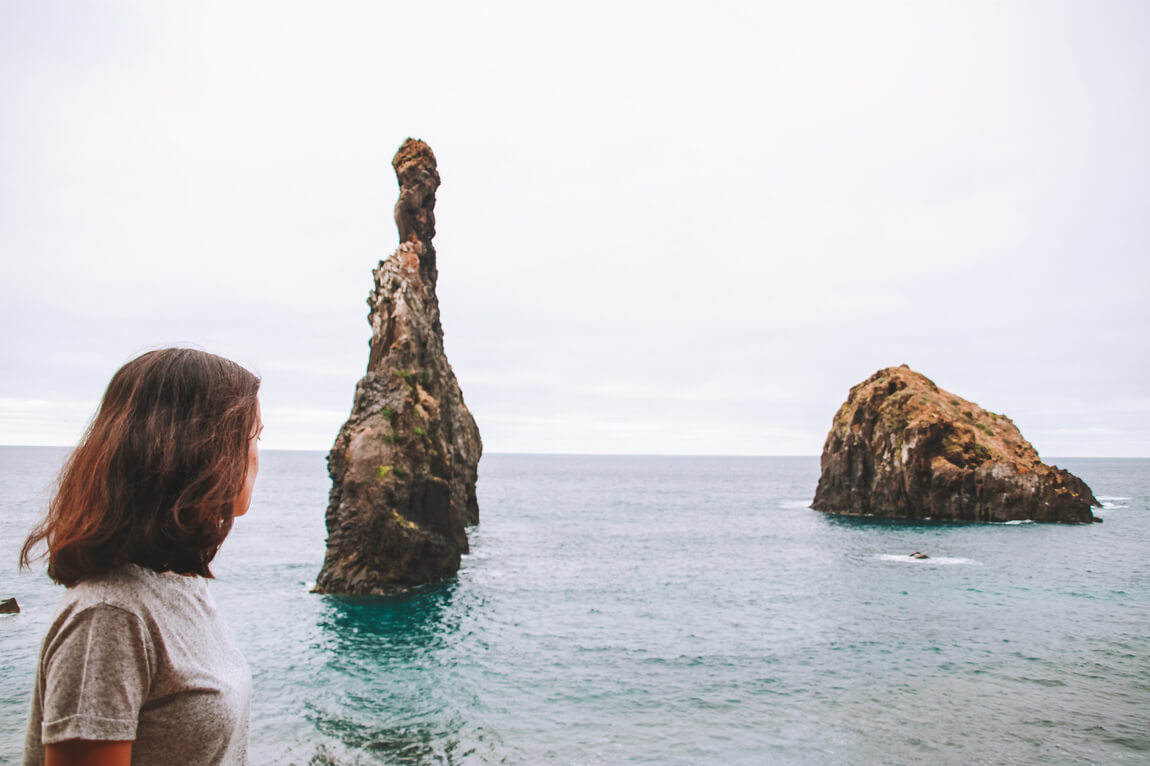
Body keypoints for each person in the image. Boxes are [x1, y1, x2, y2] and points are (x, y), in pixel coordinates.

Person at [21, 348, 262, 766]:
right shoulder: (110, 617)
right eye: (253, 438)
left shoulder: (181, 586)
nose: (258, 455)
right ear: (202, 451)